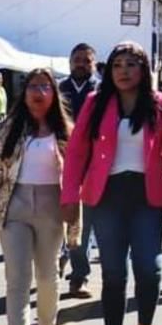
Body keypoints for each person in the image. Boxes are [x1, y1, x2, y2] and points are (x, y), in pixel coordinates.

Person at [61, 42, 162, 325]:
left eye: (131, 64)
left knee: (149, 267)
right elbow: (76, 152)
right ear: (108, 71)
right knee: (113, 272)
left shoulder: (161, 104)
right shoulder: (94, 103)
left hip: (147, 196)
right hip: (106, 196)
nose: (124, 71)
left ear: (143, 69)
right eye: (117, 65)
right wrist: (69, 196)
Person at [0, 69, 72, 325]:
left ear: (53, 93)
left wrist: (75, 222)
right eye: (32, 86)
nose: (38, 92)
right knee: (17, 281)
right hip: (15, 208)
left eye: (45, 86)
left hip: (51, 208)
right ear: (24, 93)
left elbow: (75, 182)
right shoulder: (11, 128)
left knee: (47, 276)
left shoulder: (64, 132)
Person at [58, 43, 101, 299]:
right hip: (60, 161)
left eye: (86, 60)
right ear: (70, 62)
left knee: (83, 223)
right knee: (58, 220)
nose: (81, 64)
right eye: (77, 59)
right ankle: (63, 256)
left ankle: (79, 276)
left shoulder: (103, 91)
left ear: (94, 64)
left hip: (93, 164)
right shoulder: (59, 89)